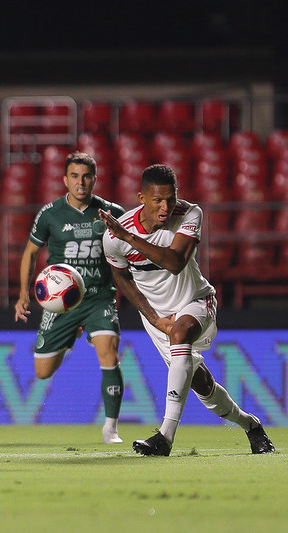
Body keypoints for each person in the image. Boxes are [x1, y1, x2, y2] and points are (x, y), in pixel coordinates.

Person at [100, 164, 275, 456]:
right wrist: (156, 320)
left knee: (180, 332)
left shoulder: (189, 213)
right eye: (157, 200)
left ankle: (165, 437)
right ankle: (250, 425)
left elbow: (176, 262)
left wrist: (130, 238)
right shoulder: (113, 237)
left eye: (170, 197)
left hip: (196, 302)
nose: (165, 206)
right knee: (202, 384)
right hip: (158, 319)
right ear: (141, 197)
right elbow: (121, 277)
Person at [14, 152, 126, 444]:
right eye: (74, 176)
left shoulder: (110, 211)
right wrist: (23, 293)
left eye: (86, 176)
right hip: (61, 303)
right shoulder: (50, 214)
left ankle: (111, 428)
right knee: (42, 372)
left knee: (109, 352)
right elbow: (29, 253)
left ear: (94, 179)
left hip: (99, 298)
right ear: (65, 180)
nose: (81, 182)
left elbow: (130, 250)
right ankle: (70, 339)